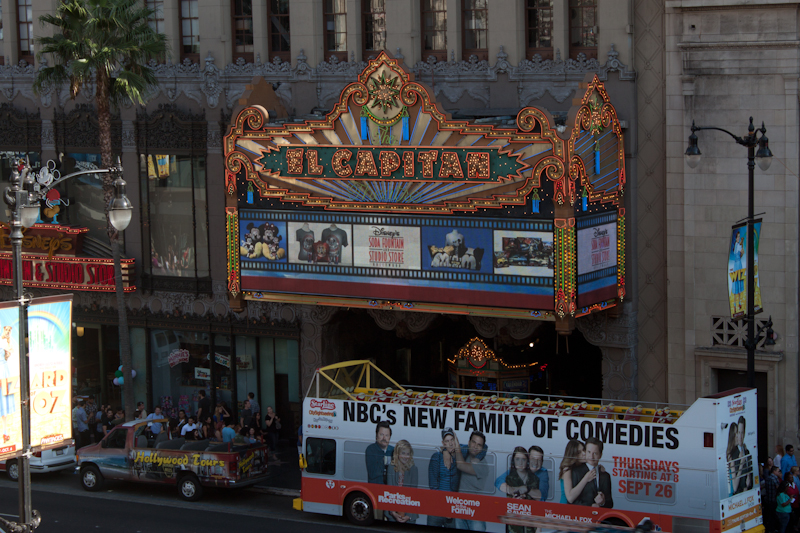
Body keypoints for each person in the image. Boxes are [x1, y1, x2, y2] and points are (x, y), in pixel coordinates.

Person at [454, 430, 489, 531]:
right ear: (469, 442)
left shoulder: (482, 464)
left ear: (482, 448)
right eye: (473, 442)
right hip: (461, 508)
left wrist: (457, 447)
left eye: (479, 445)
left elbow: (460, 465)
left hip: (476, 511)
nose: (475, 446)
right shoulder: (466, 454)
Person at [428, 428, 460, 527]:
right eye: (447, 441)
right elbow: (433, 486)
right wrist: (444, 507)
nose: (450, 443)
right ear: (443, 443)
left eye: (452, 440)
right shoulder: (436, 457)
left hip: (453, 510)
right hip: (436, 509)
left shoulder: (460, 456)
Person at [571, 438, 613, 508]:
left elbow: (610, 503)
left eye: (595, 453)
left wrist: (602, 502)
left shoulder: (606, 476)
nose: (591, 456)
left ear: (600, 455)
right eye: (589, 452)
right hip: (581, 514)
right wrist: (590, 506)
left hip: (600, 514)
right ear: (585, 452)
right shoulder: (576, 472)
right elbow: (572, 502)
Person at [385, 440, 419, 524]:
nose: (405, 456)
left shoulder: (413, 469)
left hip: (409, 511)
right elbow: (389, 492)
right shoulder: (391, 468)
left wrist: (408, 515)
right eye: (403, 453)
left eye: (408, 454)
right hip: (393, 511)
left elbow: (414, 494)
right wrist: (393, 513)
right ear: (397, 454)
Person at [559, 439, 587, 504]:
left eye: (583, 450)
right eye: (579, 453)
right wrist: (586, 478)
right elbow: (570, 498)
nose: (584, 453)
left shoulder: (582, 466)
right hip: (565, 506)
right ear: (573, 455)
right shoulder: (567, 469)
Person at [731, 416, 753, 494]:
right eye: (739, 432)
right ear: (737, 434)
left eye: (742, 433)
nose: (740, 436)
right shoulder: (734, 454)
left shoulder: (747, 452)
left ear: (744, 433)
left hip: (749, 491)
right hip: (739, 493)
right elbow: (735, 485)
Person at [764, 465, 782, 533]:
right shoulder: (775, 479)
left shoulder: (768, 478)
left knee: (769, 515)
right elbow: (778, 488)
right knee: (773, 516)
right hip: (774, 500)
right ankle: (773, 529)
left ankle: (769, 528)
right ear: (774, 471)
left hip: (768, 499)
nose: (779, 472)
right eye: (778, 471)